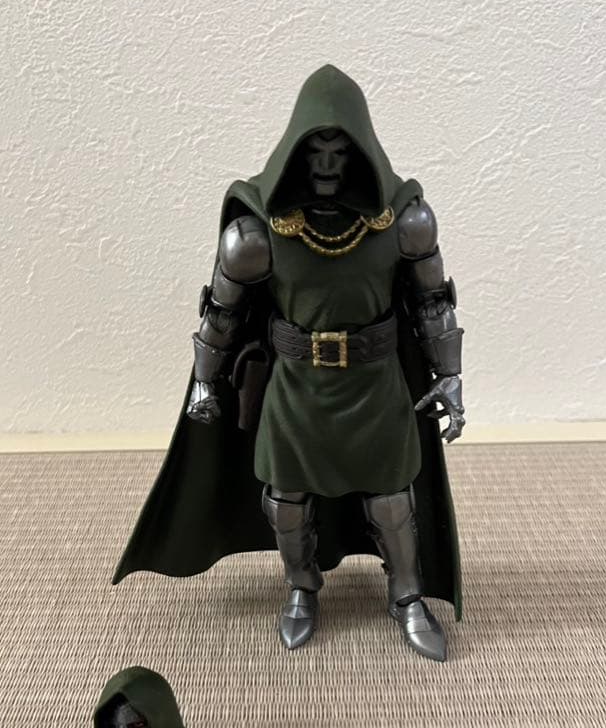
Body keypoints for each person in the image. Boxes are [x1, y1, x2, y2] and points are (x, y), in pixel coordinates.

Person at [114, 65, 465, 662]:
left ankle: (407, 595)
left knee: (391, 497)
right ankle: (302, 588)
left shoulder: (405, 220)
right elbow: (222, 314)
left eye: (339, 152)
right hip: (296, 387)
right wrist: (205, 383)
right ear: (295, 151)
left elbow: (432, 303)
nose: (326, 165)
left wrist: (450, 377)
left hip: (374, 384)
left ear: (361, 152)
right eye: (315, 151)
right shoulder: (257, 233)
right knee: (287, 500)